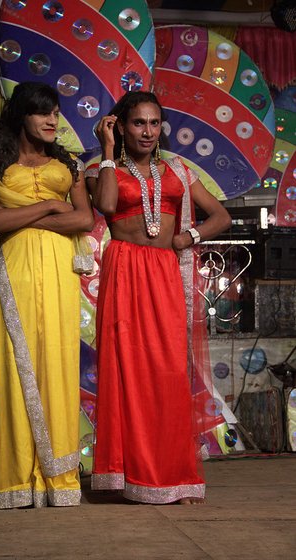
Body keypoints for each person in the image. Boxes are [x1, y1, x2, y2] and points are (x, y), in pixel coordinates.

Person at [85, 90, 232, 504]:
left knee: (169, 373)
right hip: (125, 272)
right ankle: (131, 476)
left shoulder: (178, 171)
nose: (148, 131)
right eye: (138, 123)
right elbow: (108, 205)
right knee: (128, 371)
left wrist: (190, 236)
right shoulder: (100, 169)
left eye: (154, 123)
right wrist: (108, 150)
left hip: (165, 273)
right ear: (120, 125)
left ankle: (175, 474)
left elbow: (221, 215)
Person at [0, 81, 94, 509]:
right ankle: (15, 480)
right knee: (17, 365)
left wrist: (25, 218)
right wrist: (50, 207)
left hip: (59, 269)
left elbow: (85, 219)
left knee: (56, 360)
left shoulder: (68, 164)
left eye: (55, 112)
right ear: (22, 116)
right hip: (15, 267)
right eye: (43, 113)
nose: (53, 120)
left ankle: (60, 479)